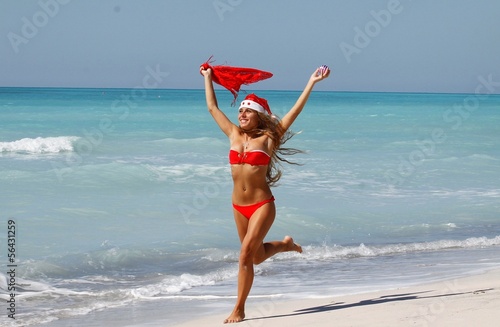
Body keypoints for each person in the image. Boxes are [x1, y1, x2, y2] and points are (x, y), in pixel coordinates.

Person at [200, 65, 330, 323]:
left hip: (262, 205)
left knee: (245, 255)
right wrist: (207, 79)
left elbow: (295, 112)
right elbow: (213, 108)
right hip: (238, 206)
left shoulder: (270, 138)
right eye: (240, 110)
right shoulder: (233, 134)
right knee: (256, 257)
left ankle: (239, 308)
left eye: (248, 110)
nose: (242, 113)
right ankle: (286, 245)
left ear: (259, 115)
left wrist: (311, 82)